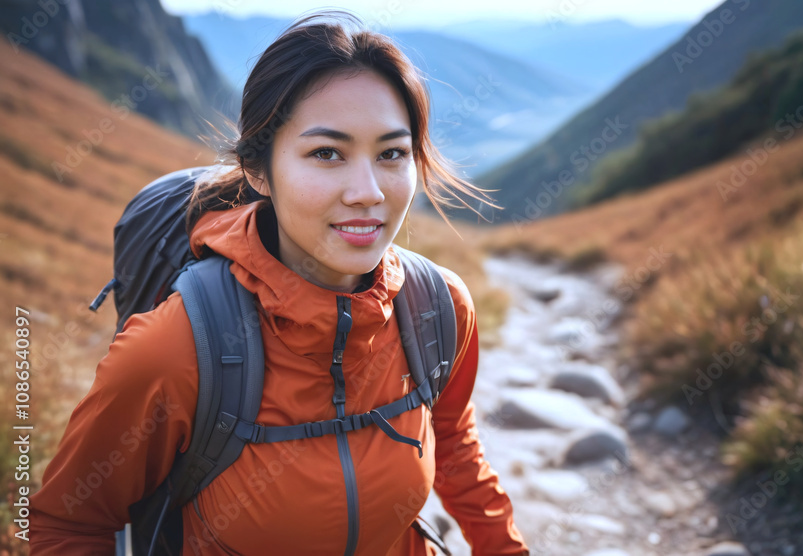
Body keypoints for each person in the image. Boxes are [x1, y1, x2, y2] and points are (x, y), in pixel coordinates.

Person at [30, 12, 529, 555]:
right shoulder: (175, 349)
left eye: (391, 153)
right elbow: (69, 526)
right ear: (258, 171)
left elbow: (452, 441)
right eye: (326, 153)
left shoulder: (437, 307)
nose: (367, 191)